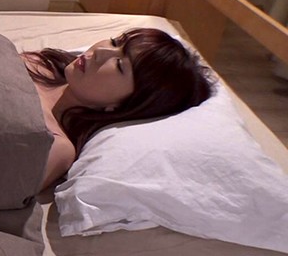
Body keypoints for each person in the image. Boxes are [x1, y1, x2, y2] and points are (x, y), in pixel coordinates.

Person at [21, 28, 215, 188]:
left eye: (120, 64)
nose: (101, 51)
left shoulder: (55, 145)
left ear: (125, 104)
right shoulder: (40, 63)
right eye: (115, 42)